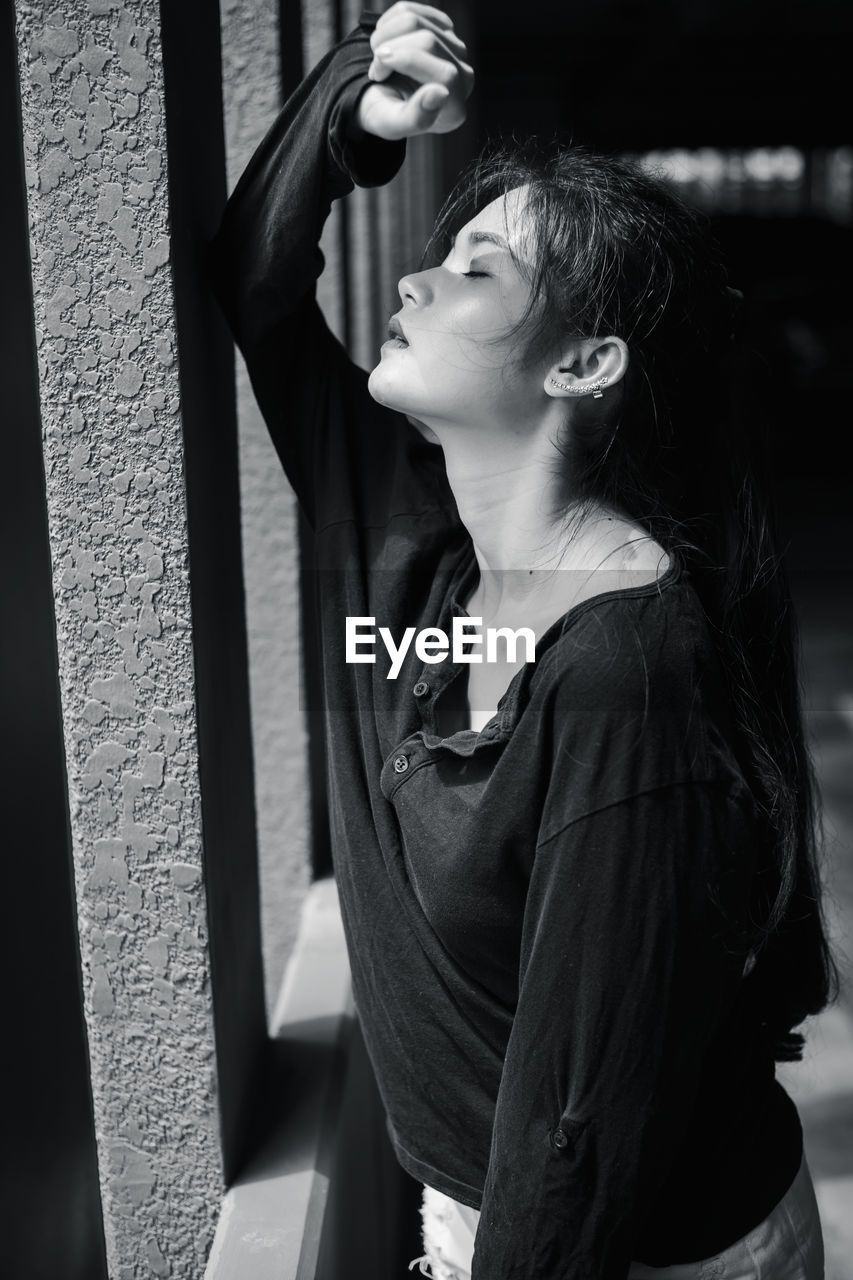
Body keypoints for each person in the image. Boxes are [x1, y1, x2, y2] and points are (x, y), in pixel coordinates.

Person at [209, 4, 837, 1276]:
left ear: (584, 361)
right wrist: (352, 109)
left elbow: (574, 1124)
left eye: (476, 271)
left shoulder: (625, 662)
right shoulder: (406, 539)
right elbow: (255, 282)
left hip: (653, 1250)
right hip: (494, 1218)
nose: (414, 278)